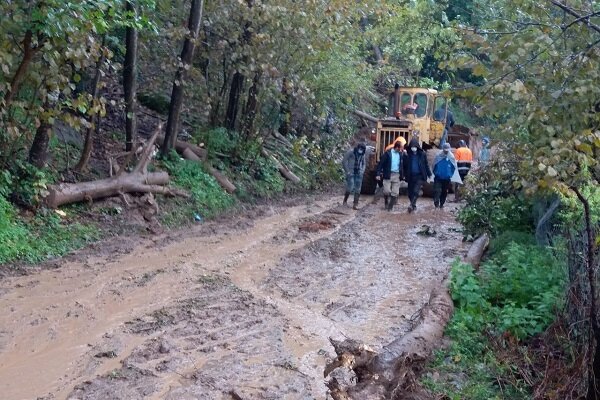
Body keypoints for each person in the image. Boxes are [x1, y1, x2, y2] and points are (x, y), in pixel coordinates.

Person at [376, 140, 407, 211]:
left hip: (397, 175)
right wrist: (378, 173)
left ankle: (390, 207)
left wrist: (406, 155)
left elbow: (405, 164)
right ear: (396, 147)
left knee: (395, 192)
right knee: (386, 191)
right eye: (400, 148)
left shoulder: (401, 155)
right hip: (388, 174)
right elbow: (381, 164)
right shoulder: (387, 154)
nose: (401, 150)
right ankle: (386, 201)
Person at [404, 138, 431, 213]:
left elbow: (426, 164)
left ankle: (411, 205)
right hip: (410, 175)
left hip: (419, 175)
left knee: (416, 191)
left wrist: (429, 174)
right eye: (412, 146)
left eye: (414, 146)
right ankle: (413, 204)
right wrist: (403, 174)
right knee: (410, 193)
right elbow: (404, 166)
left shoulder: (422, 154)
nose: (413, 148)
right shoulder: (407, 154)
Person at [342, 140, 368, 210]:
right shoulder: (350, 152)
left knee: (358, 189)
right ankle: (345, 201)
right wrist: (347, 171)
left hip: (359, 173)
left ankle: (355, 204)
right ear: (357, 148)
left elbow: (364, 163)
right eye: (360, 149)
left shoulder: (363, 154)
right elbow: (344, 161)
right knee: (350, 187)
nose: (361, 150)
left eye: (362, 150)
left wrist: (362, 170)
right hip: (351, 172)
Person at [432, 143, 456, 209]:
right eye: (445, 150)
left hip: (447, 178)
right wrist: (436, 173)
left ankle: (442, 204)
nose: (446, 151)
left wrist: (450, 175)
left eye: (447, 150)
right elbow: (434, 165)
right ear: (443, 149)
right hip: (438, 177)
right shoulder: (438, 155)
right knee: (437, 191)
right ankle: (436, 204)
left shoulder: (451, 157)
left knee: (444, 192)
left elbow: (453, 167)